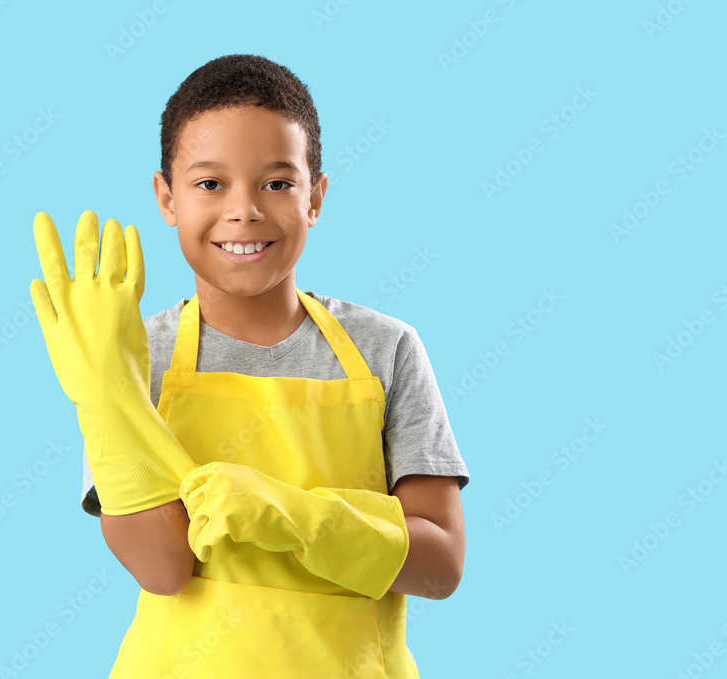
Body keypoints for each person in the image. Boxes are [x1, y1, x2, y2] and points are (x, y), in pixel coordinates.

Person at [32, 53, 470, 678]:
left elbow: (441, 566)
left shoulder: (387, 349)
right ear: (166, 197)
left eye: (278, 183)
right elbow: (162, 569)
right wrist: (107, 394)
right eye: (210, 184)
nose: (245, 211)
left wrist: (292, 515)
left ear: (315, 197)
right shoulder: (132, 355)